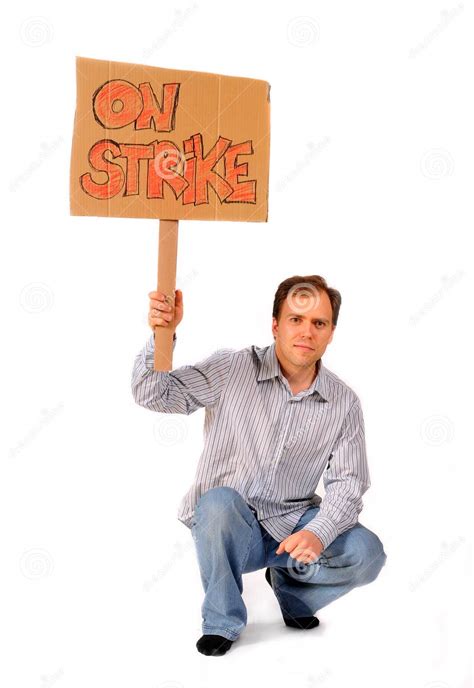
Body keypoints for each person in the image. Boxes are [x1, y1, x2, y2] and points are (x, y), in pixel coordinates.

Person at [131, 275, 387, 656]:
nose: (307, 332)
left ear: (331, 332)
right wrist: (161, 335)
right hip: (230, 526)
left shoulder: (343, 402)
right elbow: (153, 393)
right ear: (275, 324)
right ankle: (222, 620)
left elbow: (348, 484)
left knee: (367, 552)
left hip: (293, 525)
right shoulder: (232, 368)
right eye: (296, 319)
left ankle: (294, 593)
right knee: (217, 502)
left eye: (319, 323)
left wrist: (318, 533)